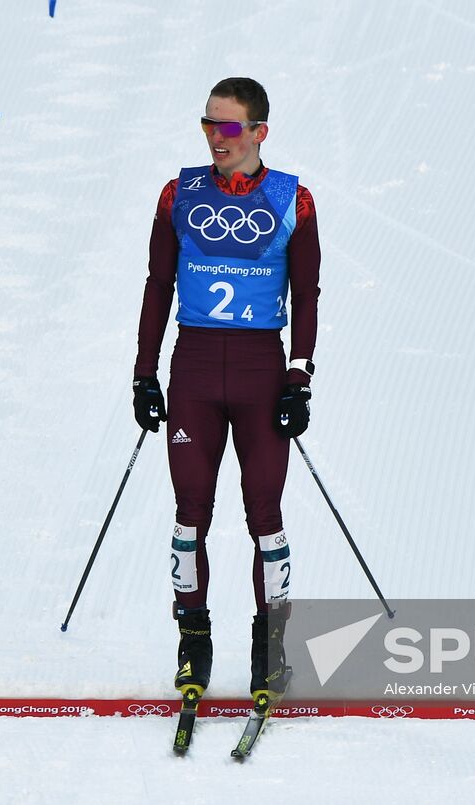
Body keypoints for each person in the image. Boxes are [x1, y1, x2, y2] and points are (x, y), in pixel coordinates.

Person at [131, 77, 321, 705]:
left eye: (230, 126)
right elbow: (159, 285)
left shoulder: (293, 200)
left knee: (265, 515)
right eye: (208, 124)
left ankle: (271, 649)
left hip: (258, 371)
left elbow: (306, 294)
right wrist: (144, 372)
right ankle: (194, 643)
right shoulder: (178, 194)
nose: (217, 136)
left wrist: (299, 375)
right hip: (193, 369)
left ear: (259, 131)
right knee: (191, 513)